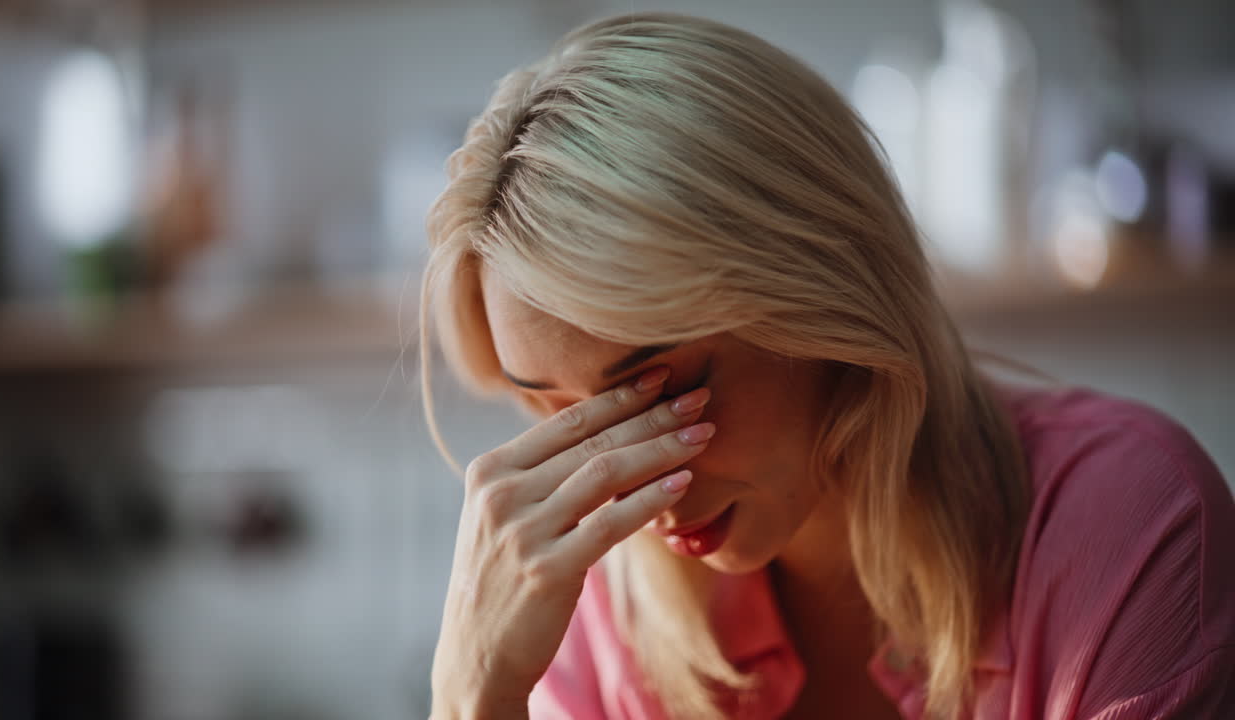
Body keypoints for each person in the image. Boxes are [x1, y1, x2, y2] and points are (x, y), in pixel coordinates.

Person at [418, 12, 1235, 720]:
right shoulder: (602, 609)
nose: (623, 486)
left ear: (820, 293)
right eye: (568, 419)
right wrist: (470, 695)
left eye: (662, 391)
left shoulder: (1130, 526)